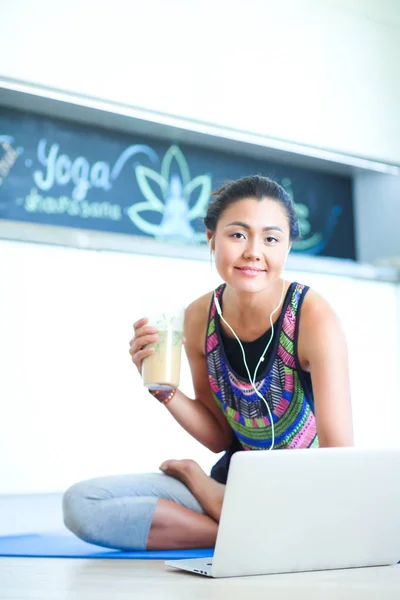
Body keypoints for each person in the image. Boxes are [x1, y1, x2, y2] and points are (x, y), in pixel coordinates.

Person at [63, 175, 353, 551]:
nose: (253, 251)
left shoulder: (313, 316)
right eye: (237, 235)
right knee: (83, 505)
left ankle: (242, 519)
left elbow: (340, 458)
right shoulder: (201, 317)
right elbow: (219, 435)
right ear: (211, 237)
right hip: (234, 485)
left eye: (270, 238)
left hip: (306, 494)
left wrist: (198, 480)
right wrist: (164, 391)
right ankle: (249, 534)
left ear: (287, 247)